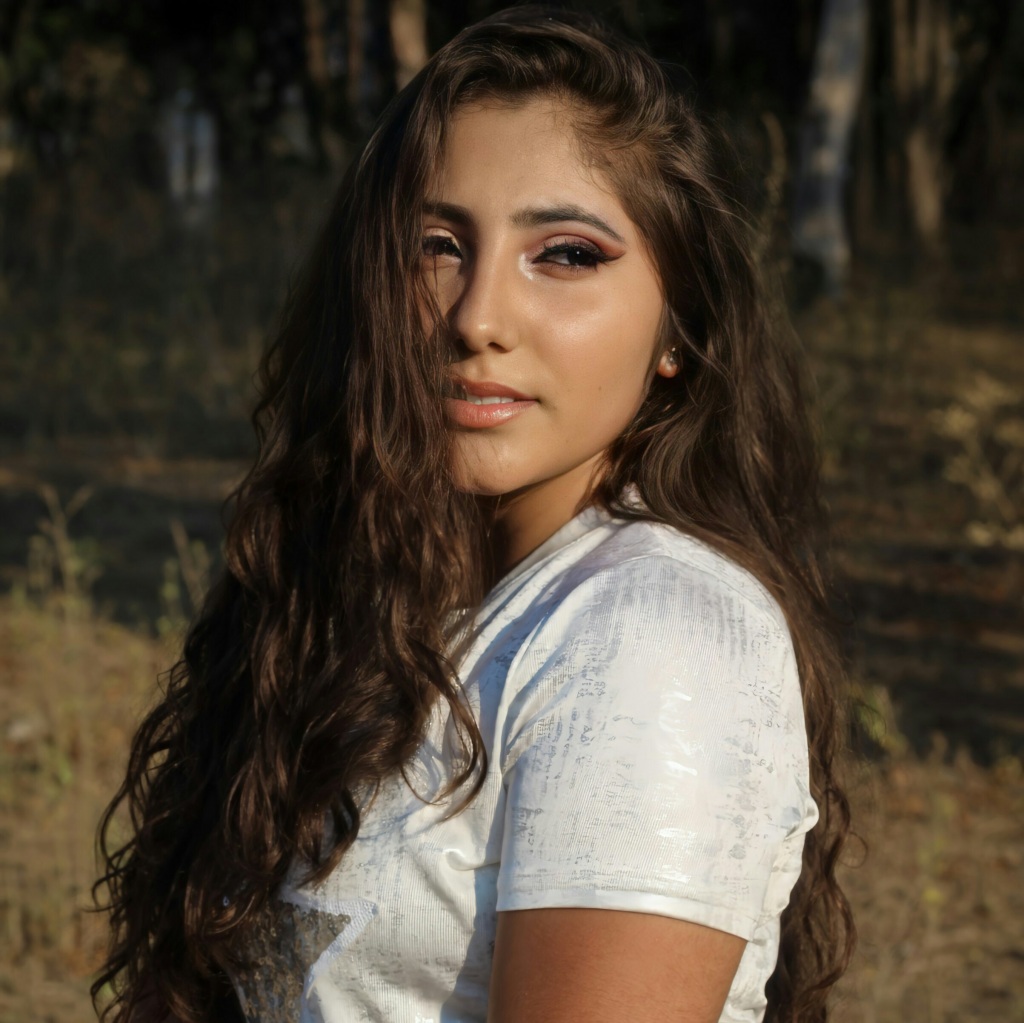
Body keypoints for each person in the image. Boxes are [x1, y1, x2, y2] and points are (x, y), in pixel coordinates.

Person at [94, 7, 854, 1022]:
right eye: (436, 245)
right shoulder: (353, 591)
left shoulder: (651, 631)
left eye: (566, 254)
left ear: (680, 324)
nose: (476, 318)